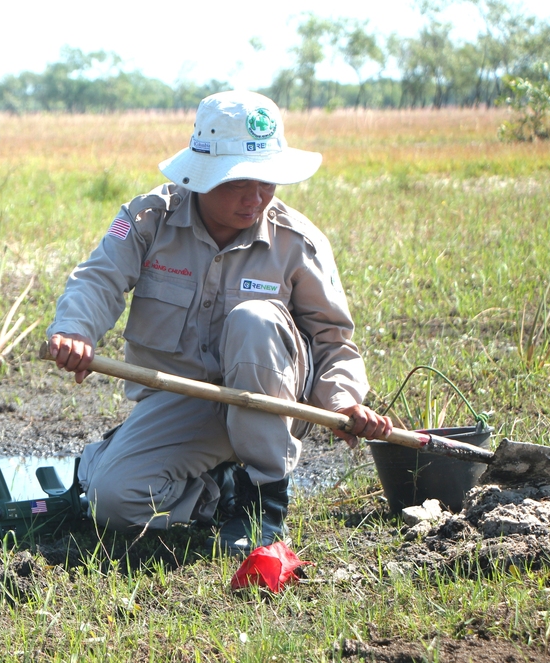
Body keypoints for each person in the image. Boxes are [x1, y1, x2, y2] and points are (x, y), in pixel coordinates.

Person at [46, 90, 393, 557]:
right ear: (201, 174)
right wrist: (75, 329)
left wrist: (344, 400)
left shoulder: (298, 242)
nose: (256, 199)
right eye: (238, 183)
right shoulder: (147, 219)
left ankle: (263, 503)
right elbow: (99, 278)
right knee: (114, 502)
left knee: (254, 319)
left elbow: (334, 341)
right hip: (189, 401)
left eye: (267, 182)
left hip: (273, 403)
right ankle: (220, 492)